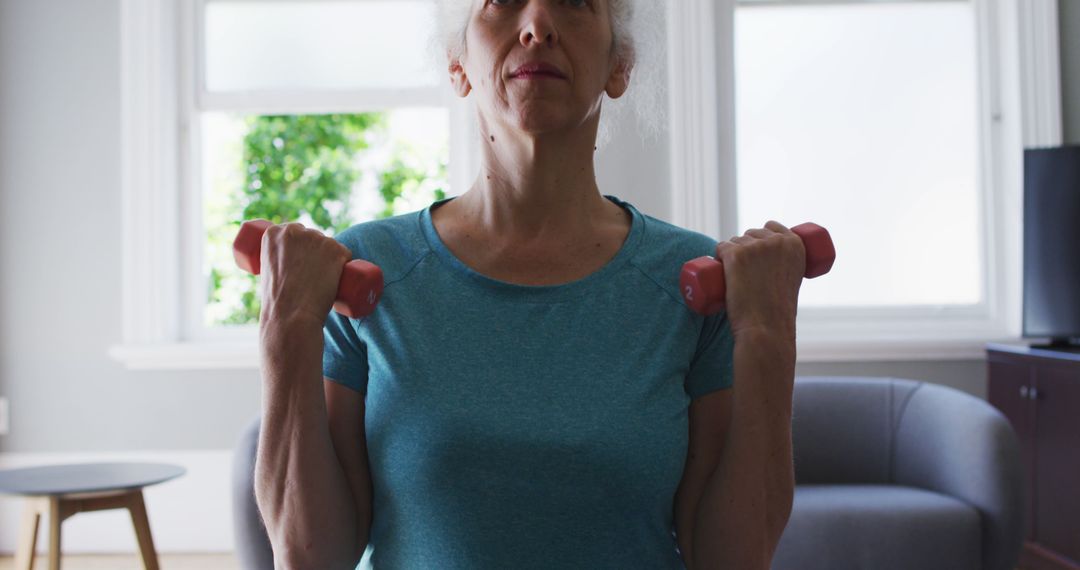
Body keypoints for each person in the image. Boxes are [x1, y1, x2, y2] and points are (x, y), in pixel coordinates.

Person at [254, 0, 805, 568]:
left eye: (574, 3)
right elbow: (309, 557)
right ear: (457, 64)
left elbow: (734, 559)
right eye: (500, 2)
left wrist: (767, 334)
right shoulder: (368, 269)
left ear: (621, 65)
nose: (538, 25)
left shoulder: (691, 280)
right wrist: (286, 331)